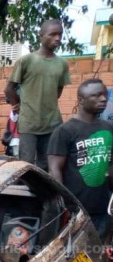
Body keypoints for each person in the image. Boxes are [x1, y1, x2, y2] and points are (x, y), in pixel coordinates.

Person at [47, 79, 113, 241]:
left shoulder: (108, 128)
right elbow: (55, 169)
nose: (103, 99)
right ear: (81, 99)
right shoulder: (65, 131)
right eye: (96, 96)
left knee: (101, 253)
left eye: (104, 95)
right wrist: (66, 206)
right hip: (77, 210)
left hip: (104, 207)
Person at [5, 19, 71, 170]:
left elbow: (58, 90)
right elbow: (9, 89)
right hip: (29, 123)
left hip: (53, 123)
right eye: (53, 34)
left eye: (60, 35)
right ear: (40, 36)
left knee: (46, 165)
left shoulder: (62, 64)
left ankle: (43, 194)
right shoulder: (27, 60)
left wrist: (47, 104)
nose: (58, 38)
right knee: (26, 165)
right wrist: (18, 105)